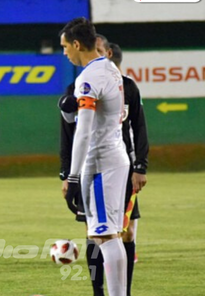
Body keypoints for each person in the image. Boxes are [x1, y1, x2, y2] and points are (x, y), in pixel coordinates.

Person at [59, 37, 149, 296]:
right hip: (97, 166)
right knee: (96, 233)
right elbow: (70, 134)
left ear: (107, 53)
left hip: (108, 166)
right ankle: (99, 290)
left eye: (98, 51)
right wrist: (67, 173)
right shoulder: (75, 87)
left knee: (122, 232)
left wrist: (140, 166)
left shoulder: (126, 86)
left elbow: (138, 128)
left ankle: (122, 291)